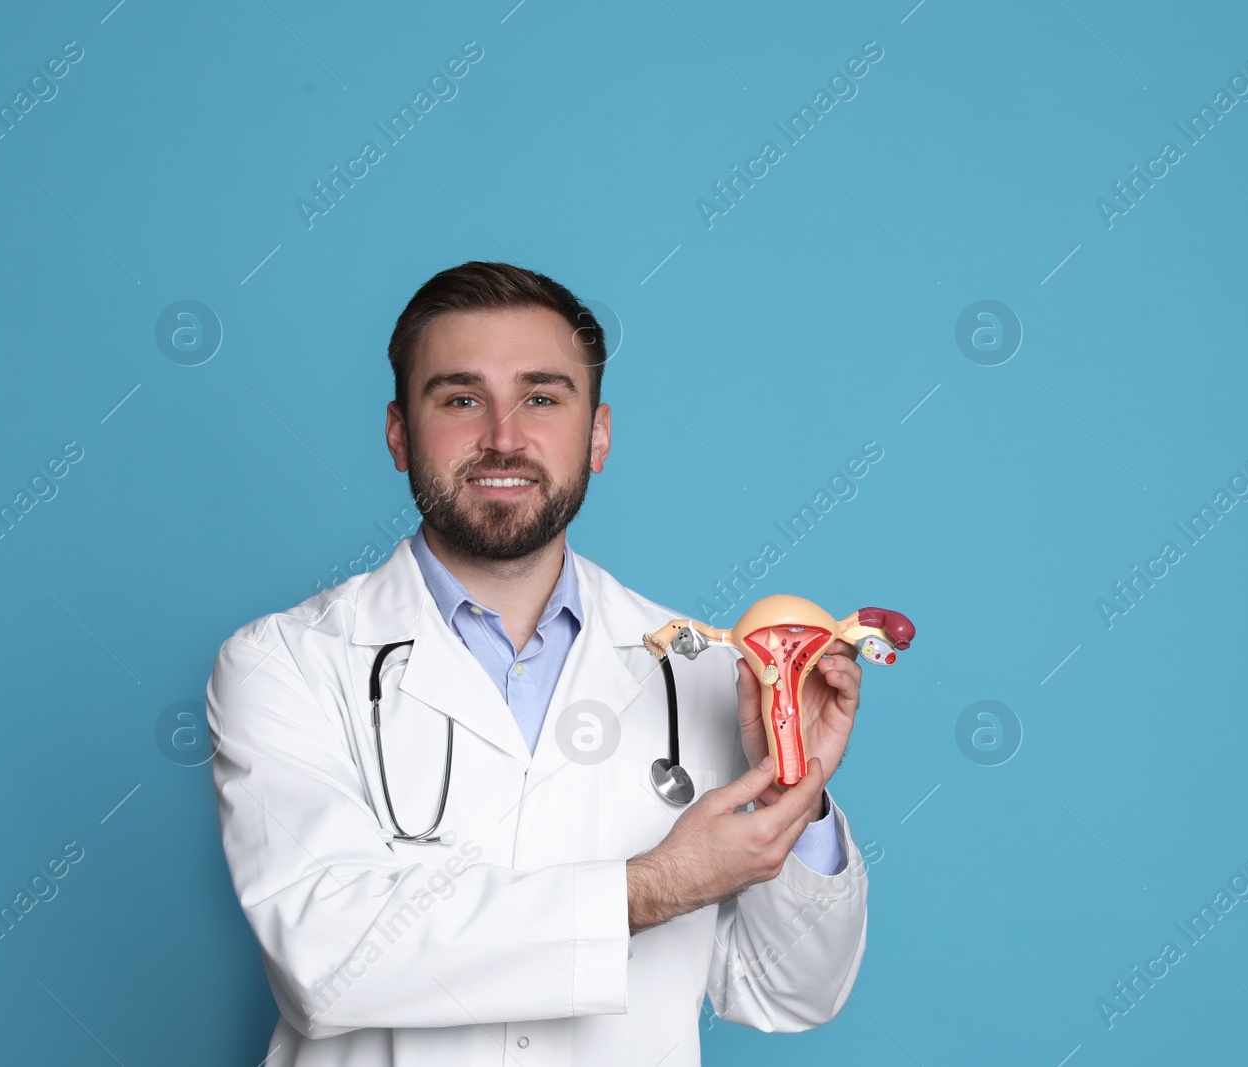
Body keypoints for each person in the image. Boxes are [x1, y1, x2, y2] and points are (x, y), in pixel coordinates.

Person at [205, 261, 870, 1067]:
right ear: (397, 433)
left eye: (542, 398)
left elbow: (784, 992)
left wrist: (796, 787)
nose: (504, 437)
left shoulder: (702, 672)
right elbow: (327, 962)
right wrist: (653, 886)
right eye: (459, 399)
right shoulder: (284, 663)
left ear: (599, 435)